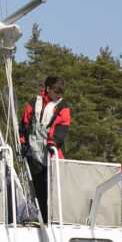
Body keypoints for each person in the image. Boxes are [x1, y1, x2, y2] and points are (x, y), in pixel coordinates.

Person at [19, 76, 70, 223]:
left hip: (51, 153)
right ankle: (40, 217)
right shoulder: (34, 103)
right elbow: (25, 122)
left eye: (61, 93)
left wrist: (52, 142)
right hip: (33, 152)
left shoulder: (63, 106)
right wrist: (23, 141)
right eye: (56, 92)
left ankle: (52, 218)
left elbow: (62, 126)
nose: (59, 96)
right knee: (37, 186)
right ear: (48, 89)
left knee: (52, 187)